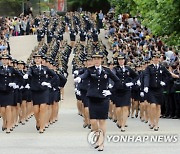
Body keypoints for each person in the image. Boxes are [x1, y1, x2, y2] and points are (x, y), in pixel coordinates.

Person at [74, 51, 119, 151]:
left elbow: (117, 81)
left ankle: (101, 142)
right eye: (95, 59)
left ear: (101, 60)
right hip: (93, 97)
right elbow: (85, 75)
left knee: (102, 121)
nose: (97, 61)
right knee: (93, 121)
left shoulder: (107, 70)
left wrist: (110, 91)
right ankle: (97, 137)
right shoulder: (90, 70)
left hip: (103, 98)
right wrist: (79, 79)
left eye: (98, 59)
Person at [23, 52, 56, 133]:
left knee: (43, 108)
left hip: (44, 90)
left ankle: (42, 126)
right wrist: (27, 75)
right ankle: (38, 121)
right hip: (35, 91)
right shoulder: (32, 68)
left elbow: (55, 76)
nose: (37, 59)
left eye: (39, 58)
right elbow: (29, 72)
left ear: (41, 59)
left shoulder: (45, 68)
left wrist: (49, 83)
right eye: (36, 58)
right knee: (36, 110)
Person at [144, 53, 172, 131]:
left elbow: (169, 76)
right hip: (151, 89)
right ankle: (152, 121)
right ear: (152, 59)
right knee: (152, 105)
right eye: (154, 58)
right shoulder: (149, 68)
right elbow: (146, 76)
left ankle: (156, 123)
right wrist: (146, 86)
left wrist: (164, 82)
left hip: (159, 89)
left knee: (158, 106)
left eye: (157, 58)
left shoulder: (162, 67)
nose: (156, 59)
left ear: (159, 59)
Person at [113, 55, 138, 132]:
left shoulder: (128, 69)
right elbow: (112, 76)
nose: (120, 61)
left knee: (125, 107)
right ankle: (119, 121)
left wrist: (132, 83)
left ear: (124, 60)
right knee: (118, 108)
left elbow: (136, 76)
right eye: (119, 59)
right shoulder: (115, 69)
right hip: (118, 90)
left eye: (122, 59)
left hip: (126, 90)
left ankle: (123, 125)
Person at [0, 54, 22, 133]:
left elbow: (19, 77)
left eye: (6, 59)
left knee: (9, 108)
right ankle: (5, 121)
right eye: (3, 59)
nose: (5, 61)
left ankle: (9, 126)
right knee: (2, 110)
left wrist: (15, 83)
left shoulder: (12, 69)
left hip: (10, 91)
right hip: (1, 91)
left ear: (9, 60)